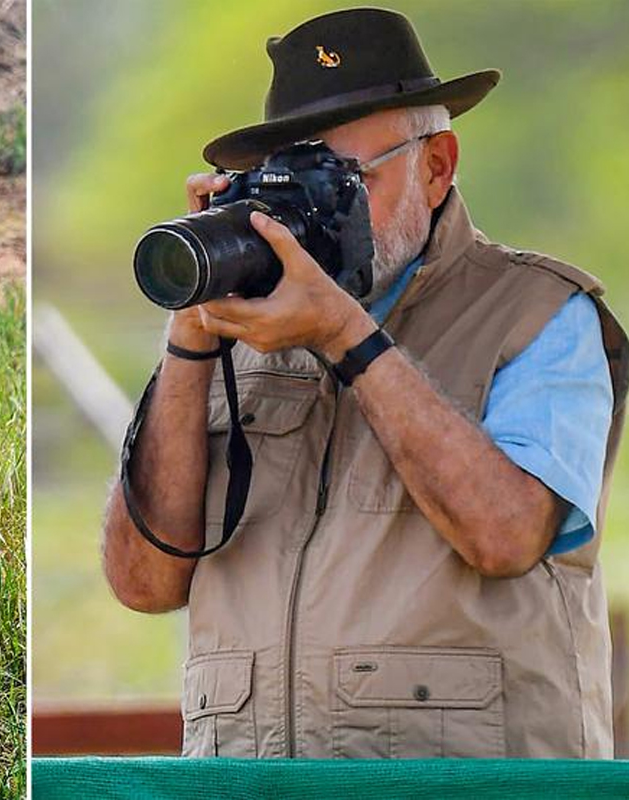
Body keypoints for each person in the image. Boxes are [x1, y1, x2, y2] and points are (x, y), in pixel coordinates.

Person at [102, 7, 628, 759]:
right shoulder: (238, 331)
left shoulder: (542, 311)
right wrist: (190, 336)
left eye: (338, 180)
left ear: (437, 165)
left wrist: (345, 335)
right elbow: (143, 582)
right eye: (284, 185)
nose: (309, 213)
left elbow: (507, 535)